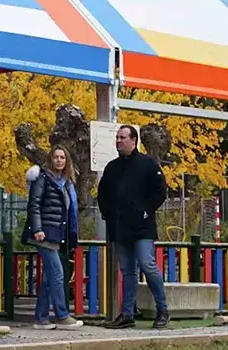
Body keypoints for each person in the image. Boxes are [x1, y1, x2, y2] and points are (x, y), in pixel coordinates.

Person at [97, 125, 170, 329]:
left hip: (142, 227)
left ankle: (162, 309)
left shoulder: (147, 164)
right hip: (120, 228)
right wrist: (108, 216)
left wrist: (146, 211)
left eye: (123, 137)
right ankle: (127, 314)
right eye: (117, 137)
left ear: (134, 140)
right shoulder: (111, 168)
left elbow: (160, 191)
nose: (118, 141)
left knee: (148, 264)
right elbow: (103, 195)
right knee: (128, 270)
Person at [22, 145, 84, 330]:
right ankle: (62, 316)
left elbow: (67, 211)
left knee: (50, 277)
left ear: (67, 161)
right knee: (57, 273)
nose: (59, 160)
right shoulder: (43, 178)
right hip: (43, 233)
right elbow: (34, 205)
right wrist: (37, 229)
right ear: (51, 159)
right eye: (56, 157)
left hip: (56, 234)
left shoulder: (66, 182)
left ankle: (41, 318)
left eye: (62, 157)